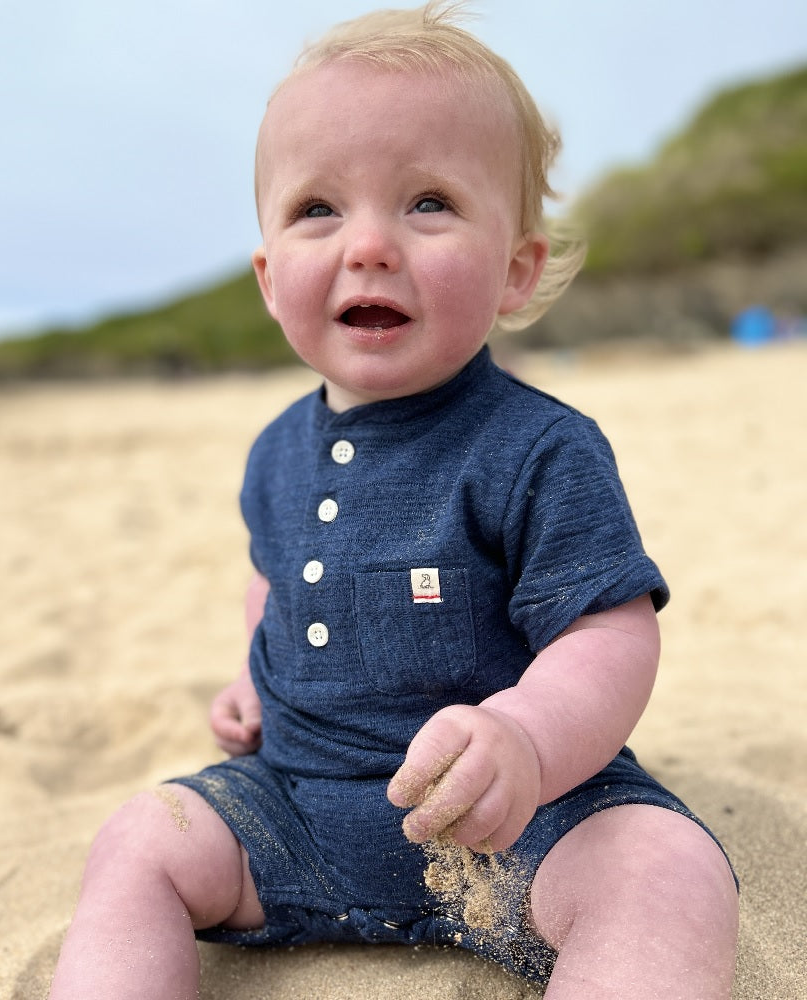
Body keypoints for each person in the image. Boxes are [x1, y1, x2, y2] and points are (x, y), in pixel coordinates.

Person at [48, 4, 739, 997]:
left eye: (426, 203)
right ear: (268, 275)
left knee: (665, 870)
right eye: (317, 210)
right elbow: (271, 577)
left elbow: (611, 630)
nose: (367, 244)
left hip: (515, 819)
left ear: (516, 268)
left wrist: (530, 740)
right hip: (292, 806)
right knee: (135, 842)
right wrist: (253, 670)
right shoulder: (274, 451)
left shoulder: (538, 448)